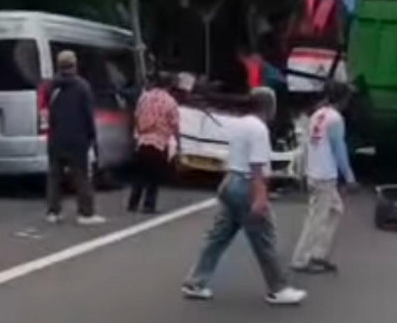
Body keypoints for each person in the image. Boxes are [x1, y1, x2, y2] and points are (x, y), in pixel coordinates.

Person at [181, 87, 307, 305]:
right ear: (269, 106)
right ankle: (278, 288)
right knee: (265, 238)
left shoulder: (239, 124)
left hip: (230, 181)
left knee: (218, 237)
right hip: (246, 185)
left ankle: (195, 281)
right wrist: (260, 197)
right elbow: (257, 166)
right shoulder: (258, 129)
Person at [291, 81, 357, 274]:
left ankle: (318, 253)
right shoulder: (336, 119)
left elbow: (306, 146)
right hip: (325, 175)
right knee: (317, 219)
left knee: (335, 210)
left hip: (314, 172)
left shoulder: (317, 115)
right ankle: (301, 259)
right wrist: (350, 177)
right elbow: (339, 150)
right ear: (343, 99)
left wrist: (302, 171)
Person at [45, 50, 105, 226]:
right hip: (77, 139)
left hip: (55, 137)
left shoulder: (51, 87)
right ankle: (85, 213)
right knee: (81, 176)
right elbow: (88, 115)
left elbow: (45, 111)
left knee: (54, 176)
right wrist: (92, 138)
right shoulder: (82, 87)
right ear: (74, 64)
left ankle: (53, 212)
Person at [128, 72, 180, 214]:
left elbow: (136, 116)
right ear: (169, 85)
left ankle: (133, 203)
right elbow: (175, 125)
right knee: (154, 177)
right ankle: (148, 205)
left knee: (139, 174)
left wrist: (137, 133)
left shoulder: (144, 98)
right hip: (159, 143)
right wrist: (178, 143)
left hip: (143, 140)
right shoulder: (170, 102)